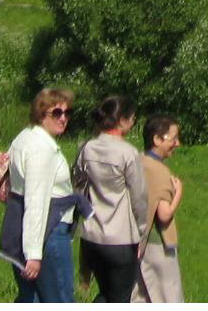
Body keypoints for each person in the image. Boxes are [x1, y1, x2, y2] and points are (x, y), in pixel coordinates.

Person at [0, 86, 82, 302]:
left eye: (67, 112)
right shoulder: (41, 149)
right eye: (56, 113)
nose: (63, 118)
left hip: (23, 232)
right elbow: (36, 202)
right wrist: (34, 255)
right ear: (40, 114)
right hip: (48, 235)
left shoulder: (24, 138)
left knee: (31, 300)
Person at [75, 94, 151, 303]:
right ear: (123, 120)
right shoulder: (128, 152)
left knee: (105, 294)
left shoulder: (86, 148)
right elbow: (140, 198)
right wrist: (143, 232)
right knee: (120, 298)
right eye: (132, 118)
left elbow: (79, 189)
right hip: (120, 240)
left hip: (91, 236)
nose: (133, 122)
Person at [134, 115, 184, 303]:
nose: (177, 143)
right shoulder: (159, 170)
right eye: (173, 139)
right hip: (159, 244)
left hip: (137, 243)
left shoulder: (138, 162)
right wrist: (178, 192)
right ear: (157, 139)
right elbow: (164, 215)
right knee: (169, 297)